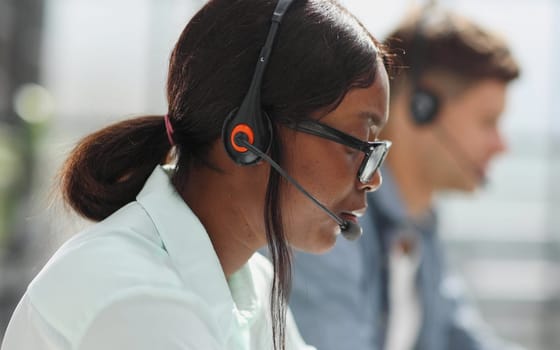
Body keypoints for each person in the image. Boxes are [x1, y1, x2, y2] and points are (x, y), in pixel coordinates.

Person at [0, 0, 393, 349]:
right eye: (359, 142)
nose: (372, 177)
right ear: (248, 136)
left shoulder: (249, 282)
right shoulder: (136, 300)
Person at [288, 5, 522, 350]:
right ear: (420, 108)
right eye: (488, 121)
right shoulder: (329, 226)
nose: (502, 145)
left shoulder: (419, 224)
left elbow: (459, 337)